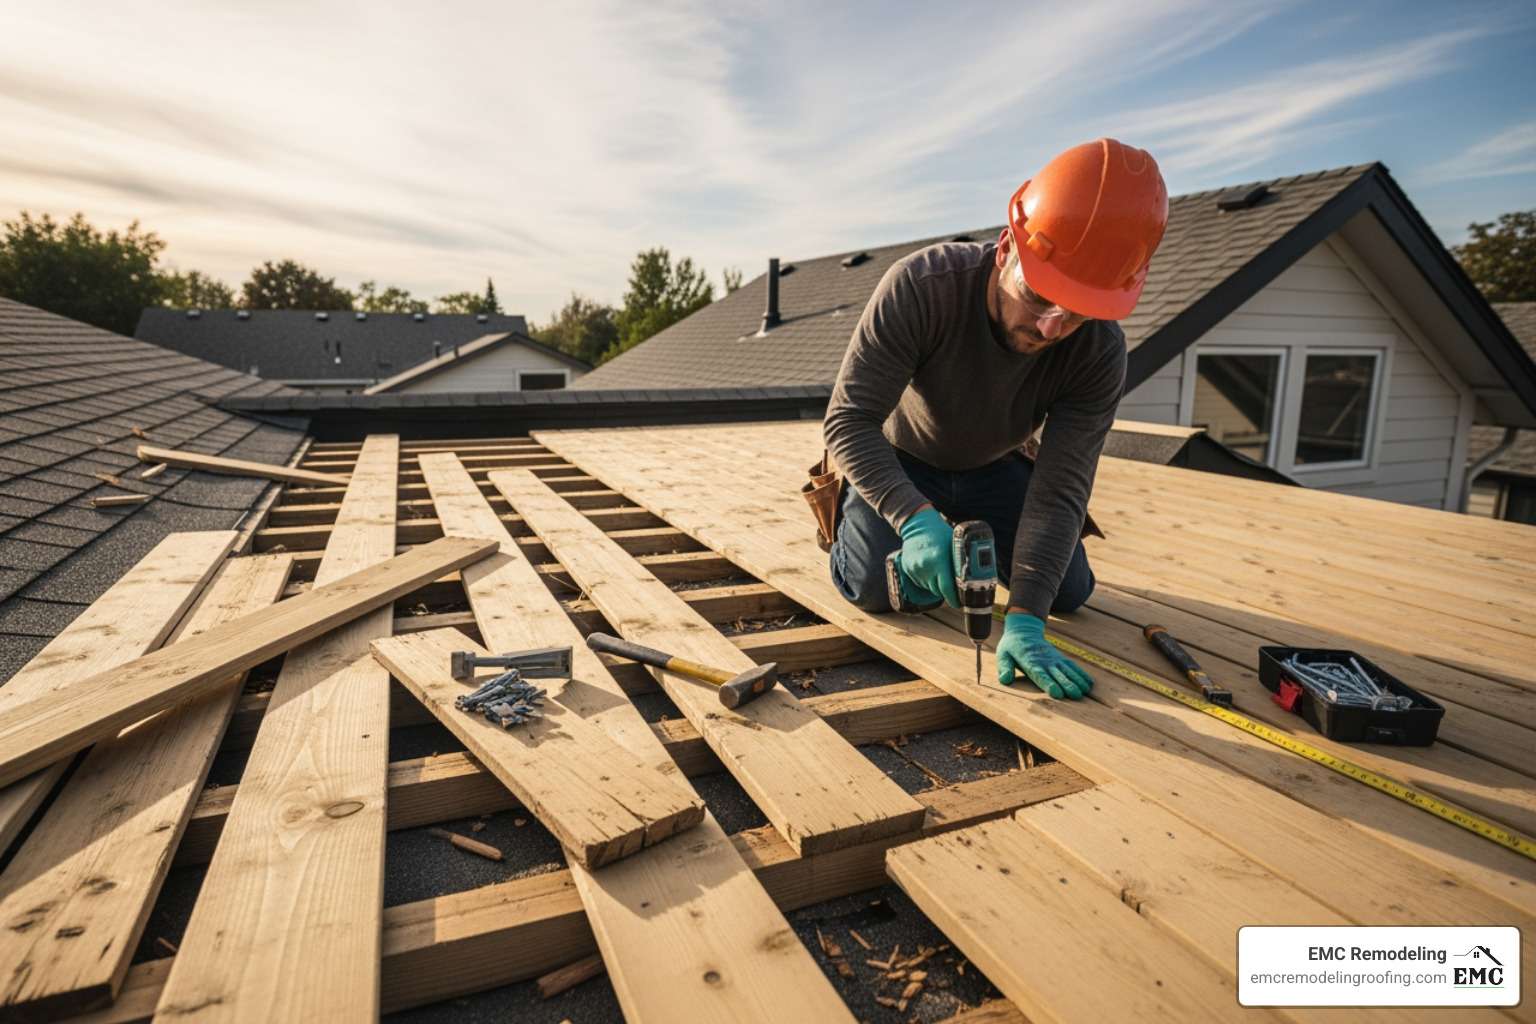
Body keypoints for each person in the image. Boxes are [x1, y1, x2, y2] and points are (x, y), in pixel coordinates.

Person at [823, 138, 1168, 700]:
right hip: (902, 459)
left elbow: (1061, 489)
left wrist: (1026, 620)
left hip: (996, 463)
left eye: (1076, 314)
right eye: (1039, 296)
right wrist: (913, 519)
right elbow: (848, 421)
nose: (1051, 327)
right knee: (872, 587)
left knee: (1066, 593)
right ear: (1008, 247)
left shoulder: (1099, 351)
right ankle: (857, 533)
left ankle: (967, 541)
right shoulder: (922, 287)